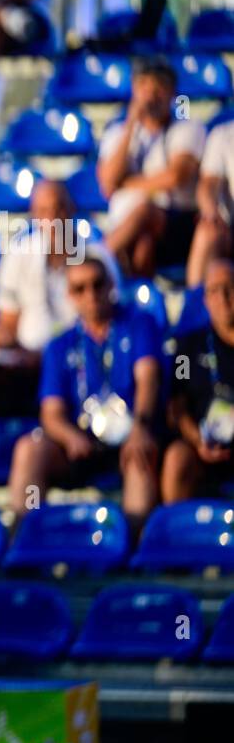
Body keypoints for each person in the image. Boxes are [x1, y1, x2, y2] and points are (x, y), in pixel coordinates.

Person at [8, 253, 163, 533]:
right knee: (29, 450)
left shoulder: (140, 323)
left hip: (129, 435)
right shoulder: (60, 344)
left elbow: (148, 379)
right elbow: (51, 413)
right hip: (82, 442)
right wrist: (70, 437)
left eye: (97, 284)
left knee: (140, 454)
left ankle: (135, 547)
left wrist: (140, 426)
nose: (91, 294)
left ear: (110, 286)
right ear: (70, 295)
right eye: (80, 288)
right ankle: (24, 534)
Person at [0, 179, 120, 431]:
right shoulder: (19, 254)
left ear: (72, 210)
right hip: (26, 358)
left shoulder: (98, 260)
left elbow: (105, 321)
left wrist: (49, 353)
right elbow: (8, 323)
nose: (53, 218)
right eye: (45, 212)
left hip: (80, 356)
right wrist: (0, 338)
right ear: (35, 217)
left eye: (59, 209)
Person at [97, 56, 205, 279]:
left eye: (159, 87)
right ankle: (138, 298)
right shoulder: (117, 133)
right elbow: (108, 183)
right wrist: (130, 126)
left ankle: (99, 258)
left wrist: (126, 184)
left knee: (146, 211)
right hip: (133, 227)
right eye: (144, 86)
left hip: (177, 222)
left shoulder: (187, 128)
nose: (151, 95)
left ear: (172, 93)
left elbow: (176, 177)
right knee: (143, 244)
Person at [162, 256, 234, 503]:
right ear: (205, 299)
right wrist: (197, 439)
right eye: (214, 290)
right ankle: (174, 533)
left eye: (230, 288)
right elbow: (177, 403)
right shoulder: (187, 349)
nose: (224, 299)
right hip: (202, 446)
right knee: (176, 459)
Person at [186, 116, 234, 289]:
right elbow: (208, 185)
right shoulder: (223, 135)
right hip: (229, 229)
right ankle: (195, 306)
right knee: (207, 231)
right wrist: (212, 214)